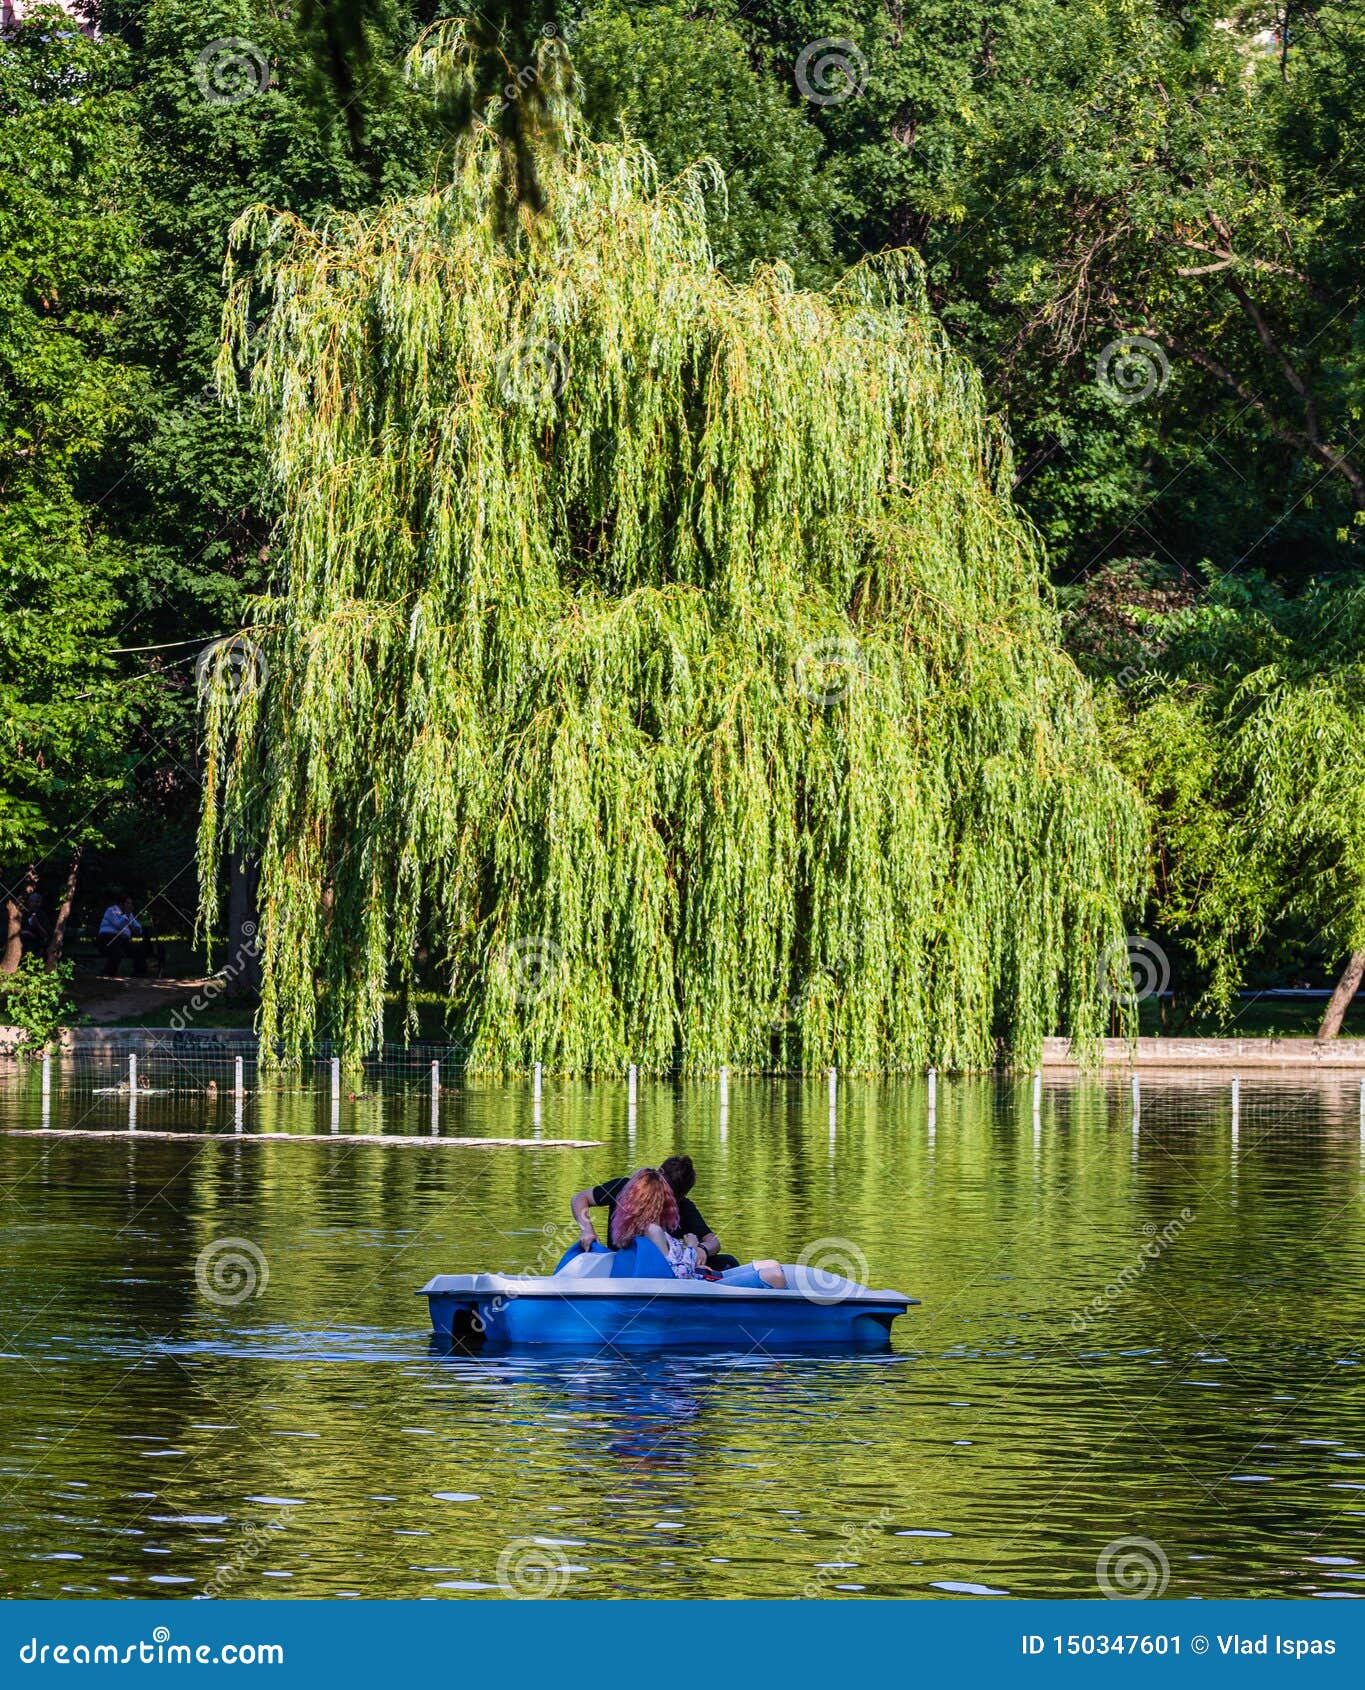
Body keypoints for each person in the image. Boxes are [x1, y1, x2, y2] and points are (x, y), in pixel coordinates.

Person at [608, 1168, 786, 1289]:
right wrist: (692, 1247)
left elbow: (672, 1268)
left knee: (772, 1264)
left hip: (699, 1280)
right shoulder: (653, 1230)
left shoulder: (635, 1227)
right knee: (775, 1275)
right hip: (696, 1288)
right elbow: (679, 1277)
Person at [572, 1153, 739, 1270]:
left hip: (662, 1270)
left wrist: (701, 1249)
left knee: (727, 1262)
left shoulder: (684, 1208)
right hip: (621, 1264)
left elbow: (713, 1241)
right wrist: (587, 1230)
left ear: (678, 1197)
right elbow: (579, 1198)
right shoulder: (625, 1187)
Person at [98, 896, 152, 977]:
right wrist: (127, 915)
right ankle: (108, 973)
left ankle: (139, 974)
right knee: (117, 951)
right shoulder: (112, 910)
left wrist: (137, 928)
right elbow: (119, 925)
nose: (130, 905)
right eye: (128, 903)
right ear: (121, 904)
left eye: (131, 903)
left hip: (123, 940)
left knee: (138, 950)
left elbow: (138, 928)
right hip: (108, 939)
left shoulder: (129, 914)